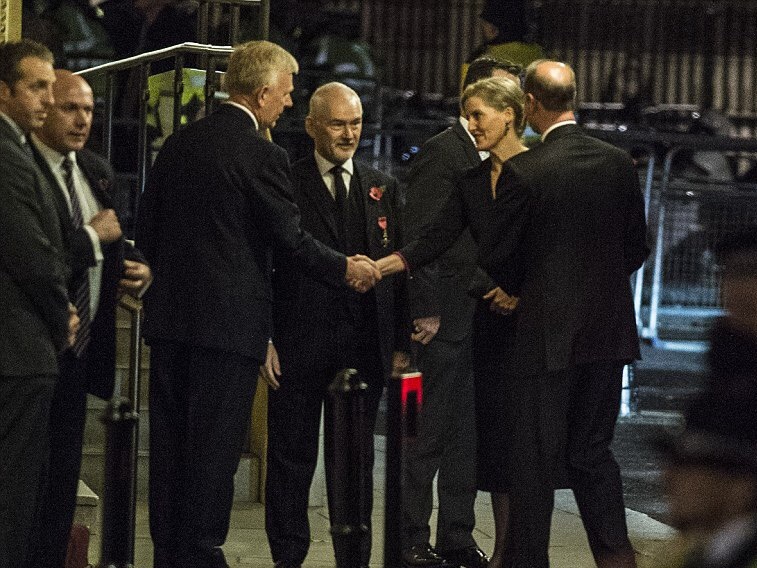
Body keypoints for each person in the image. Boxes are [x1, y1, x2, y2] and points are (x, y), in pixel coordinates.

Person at [135, 40, 380, 568]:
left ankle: (169, 556)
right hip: (228, 335)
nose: (288, 104)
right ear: (264, 92)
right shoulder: (262, 155)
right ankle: (201, 554)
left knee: (170, 453)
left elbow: (147, 231)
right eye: (287, 94)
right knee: (213, 456)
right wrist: (345, 267)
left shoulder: (177, 146)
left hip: (170, 326)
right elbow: (289, 239)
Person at [476, 60, 649, 568]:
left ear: (529, 102)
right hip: (606, 338)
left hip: (543, 342)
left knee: (533, 463)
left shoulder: (525, 172)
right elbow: (635, 248)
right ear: (574, 97)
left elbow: (499, 258)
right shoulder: (617, 163)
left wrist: (523, 289)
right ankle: (616, 559)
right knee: (594, 456)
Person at [263, 81, 408, 568]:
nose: (349, 134)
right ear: (310, 126)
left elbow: (401, 267)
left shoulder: (381, 185)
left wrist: (402, 343)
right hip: (299, 343)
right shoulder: (286, 178)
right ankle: (289, 557)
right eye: (337, 123)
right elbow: (266, 259)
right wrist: (265, 335)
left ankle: (355, 558)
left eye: (356, 123)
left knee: (356, 464)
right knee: (290, 461)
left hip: (363, 347)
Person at [400, 58, 521, 568]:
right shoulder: (443, 154)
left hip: (475, 321)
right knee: (422, 434)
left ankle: (455, 535)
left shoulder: (495, 159)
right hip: (441, 320)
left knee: (464, 439)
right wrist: (424, 310)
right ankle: (409, 538)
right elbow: (423, 238)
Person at [29, 70, 152, 568]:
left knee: (61, 483)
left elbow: (112, 242)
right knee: (25, 485)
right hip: (31, 349)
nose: (82, 120)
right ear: (41, 111)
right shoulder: (27, 170)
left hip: (79, 356)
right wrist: (93, 236)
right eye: (69, 108)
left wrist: (138, 271)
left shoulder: (95, 171)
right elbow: (41, 251)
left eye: (88, 110)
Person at [0, 39, 75, 568]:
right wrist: (62, 313)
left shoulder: (18, 146)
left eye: (52, 86)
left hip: (23, 348)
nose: (49, 99)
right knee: (11, 499)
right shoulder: (5, 153)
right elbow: (29, 250)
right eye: (36, 87)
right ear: (3, 92)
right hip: (16, 350)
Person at [657, 376, 757, 568]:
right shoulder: (687, 552)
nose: (668, 476)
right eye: (674, 463)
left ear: (742, 485)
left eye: (689, 467)